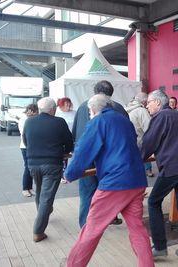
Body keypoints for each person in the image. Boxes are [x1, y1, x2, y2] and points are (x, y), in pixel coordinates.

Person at [64, 94, 153, 267]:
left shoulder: (98, 122)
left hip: (115, 183)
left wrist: (69, 174)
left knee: (92, 229)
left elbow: (83, 151)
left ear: (93, 109)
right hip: (137, 181)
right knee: (137, 229)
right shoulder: (124, 120)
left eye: (90, 111)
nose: (90, 114)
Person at [141, 90, 178, 260]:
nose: (147, 105)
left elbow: (148, 143)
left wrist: (136, 159)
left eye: (149, 102)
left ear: (158, 103)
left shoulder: (161, 117)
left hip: (172, 167)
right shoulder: (175, 114)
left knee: (153, 202)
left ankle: (160, 247)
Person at [72, 80, 127, 228]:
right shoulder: (118, 108)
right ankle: (111, 217)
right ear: (111, 93)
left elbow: (76, 133)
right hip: (110, 160)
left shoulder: (83, 106)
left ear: (95, 91)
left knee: (87, 193)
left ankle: (85, 225)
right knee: (110, 191)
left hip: (86, 159)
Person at [23, 97, 73, 242]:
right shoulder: (59, 122)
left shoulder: (29, 121)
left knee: (40, 190)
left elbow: (25, 141)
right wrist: (66, 151)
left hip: (33, 164)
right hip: (52, 164)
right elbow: (69, 142)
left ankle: (42, 214)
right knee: (46, 197)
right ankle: (38, 231)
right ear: (53, 109)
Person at [125, 92, 154, 177]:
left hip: (129, 141)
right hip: (140, 141)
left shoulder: (126, 108)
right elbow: (149, 129)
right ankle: (148, 171)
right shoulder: (142, 111)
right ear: (144, 101)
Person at [18, 104, 38, 197]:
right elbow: (25, 133)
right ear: (30, 111)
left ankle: (30, 188)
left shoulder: (32, 119)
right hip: (25, 147)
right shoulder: (23, 119)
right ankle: (25, 188)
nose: (36, 114)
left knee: (31, 167)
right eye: (35, 112)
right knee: (27, 167)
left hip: (33, 146)